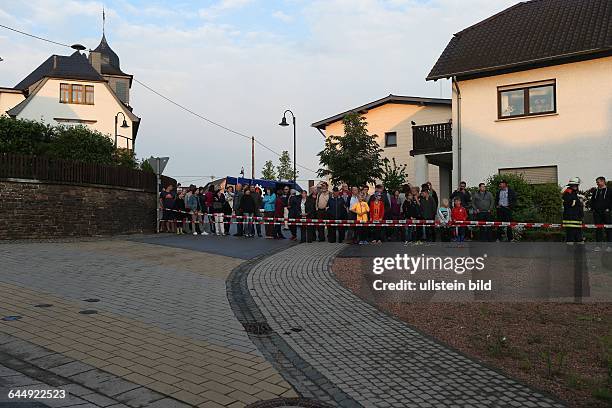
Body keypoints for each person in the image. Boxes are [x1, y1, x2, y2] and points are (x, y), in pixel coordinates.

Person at [591, 177, 612, 250]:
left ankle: (609, 246)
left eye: (598, 182)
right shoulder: (595, 191)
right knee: (598, 229)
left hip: (606, 213)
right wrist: (593, 209)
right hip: (597, 213)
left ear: (603, 181)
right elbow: (592, 200)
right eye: (596, 182)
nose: (597, 183)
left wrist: (609, 209)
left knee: (608, 229)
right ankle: (598, 246)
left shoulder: (609, 190)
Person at [562, 177, 584, 243]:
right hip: (571, 218)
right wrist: (576, 202)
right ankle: (571, 251)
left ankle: (579, 251)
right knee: (571, 237)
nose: (577, 186)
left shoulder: (573, 193)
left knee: (578, 237)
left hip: (576, 218)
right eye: (576, 185)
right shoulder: (568, 192)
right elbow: (569, 203)